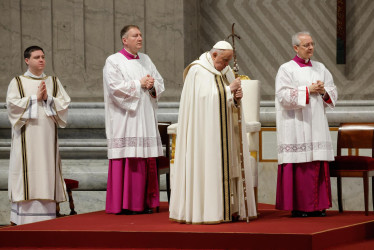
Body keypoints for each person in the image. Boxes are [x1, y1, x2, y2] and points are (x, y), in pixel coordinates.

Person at [169, 41, 257, 224]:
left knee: (229, 168)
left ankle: (231, 209)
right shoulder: (197, 70)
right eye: (224, 60)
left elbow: (229, 101)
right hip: (205, 134)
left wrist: (235, 99)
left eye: (229, 60)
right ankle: (208, 211)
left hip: (225, 132)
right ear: (214, 55)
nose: (226, 64)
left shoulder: (226, 71)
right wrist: (228, 90)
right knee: (209, 166)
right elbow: (201, 101)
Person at [103, 25, 165, 215]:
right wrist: (140, 83)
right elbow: (114, 88)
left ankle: (147, 202)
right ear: (125, 40)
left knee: (145, 156)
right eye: (135, 35)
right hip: (126, 119)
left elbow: (159, 82)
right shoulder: (113, 61)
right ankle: (127, 204)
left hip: (145, 116)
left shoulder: (146, 59)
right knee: (131, 155)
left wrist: (152, 85)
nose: (140, 38)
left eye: (140, 35)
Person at [275, 31, 338, 217]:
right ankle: (299, 207)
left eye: (312, 44)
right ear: (296, 48)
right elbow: (283, 96)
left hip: (316, 123)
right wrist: (307, 90)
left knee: (316, 163)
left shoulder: (320, 68)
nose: (310, 48)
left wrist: (323, 91)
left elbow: (333, 91)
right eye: (306, 45)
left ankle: (318, 206)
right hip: (296, 123)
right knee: (300, 166)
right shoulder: (286, 69)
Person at [6, 45, 71, 225]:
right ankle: (23, 220)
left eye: (43, 57)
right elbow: (12, 106)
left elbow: (64, 104)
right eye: (36, 57)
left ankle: (47, 218)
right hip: (26, 137)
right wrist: (35, 98)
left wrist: (48, 99)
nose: (41, 60)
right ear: (27, 60)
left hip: (47, 136)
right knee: (28, 172)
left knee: (46, 170)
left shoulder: (53, 82)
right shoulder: (17, 82)